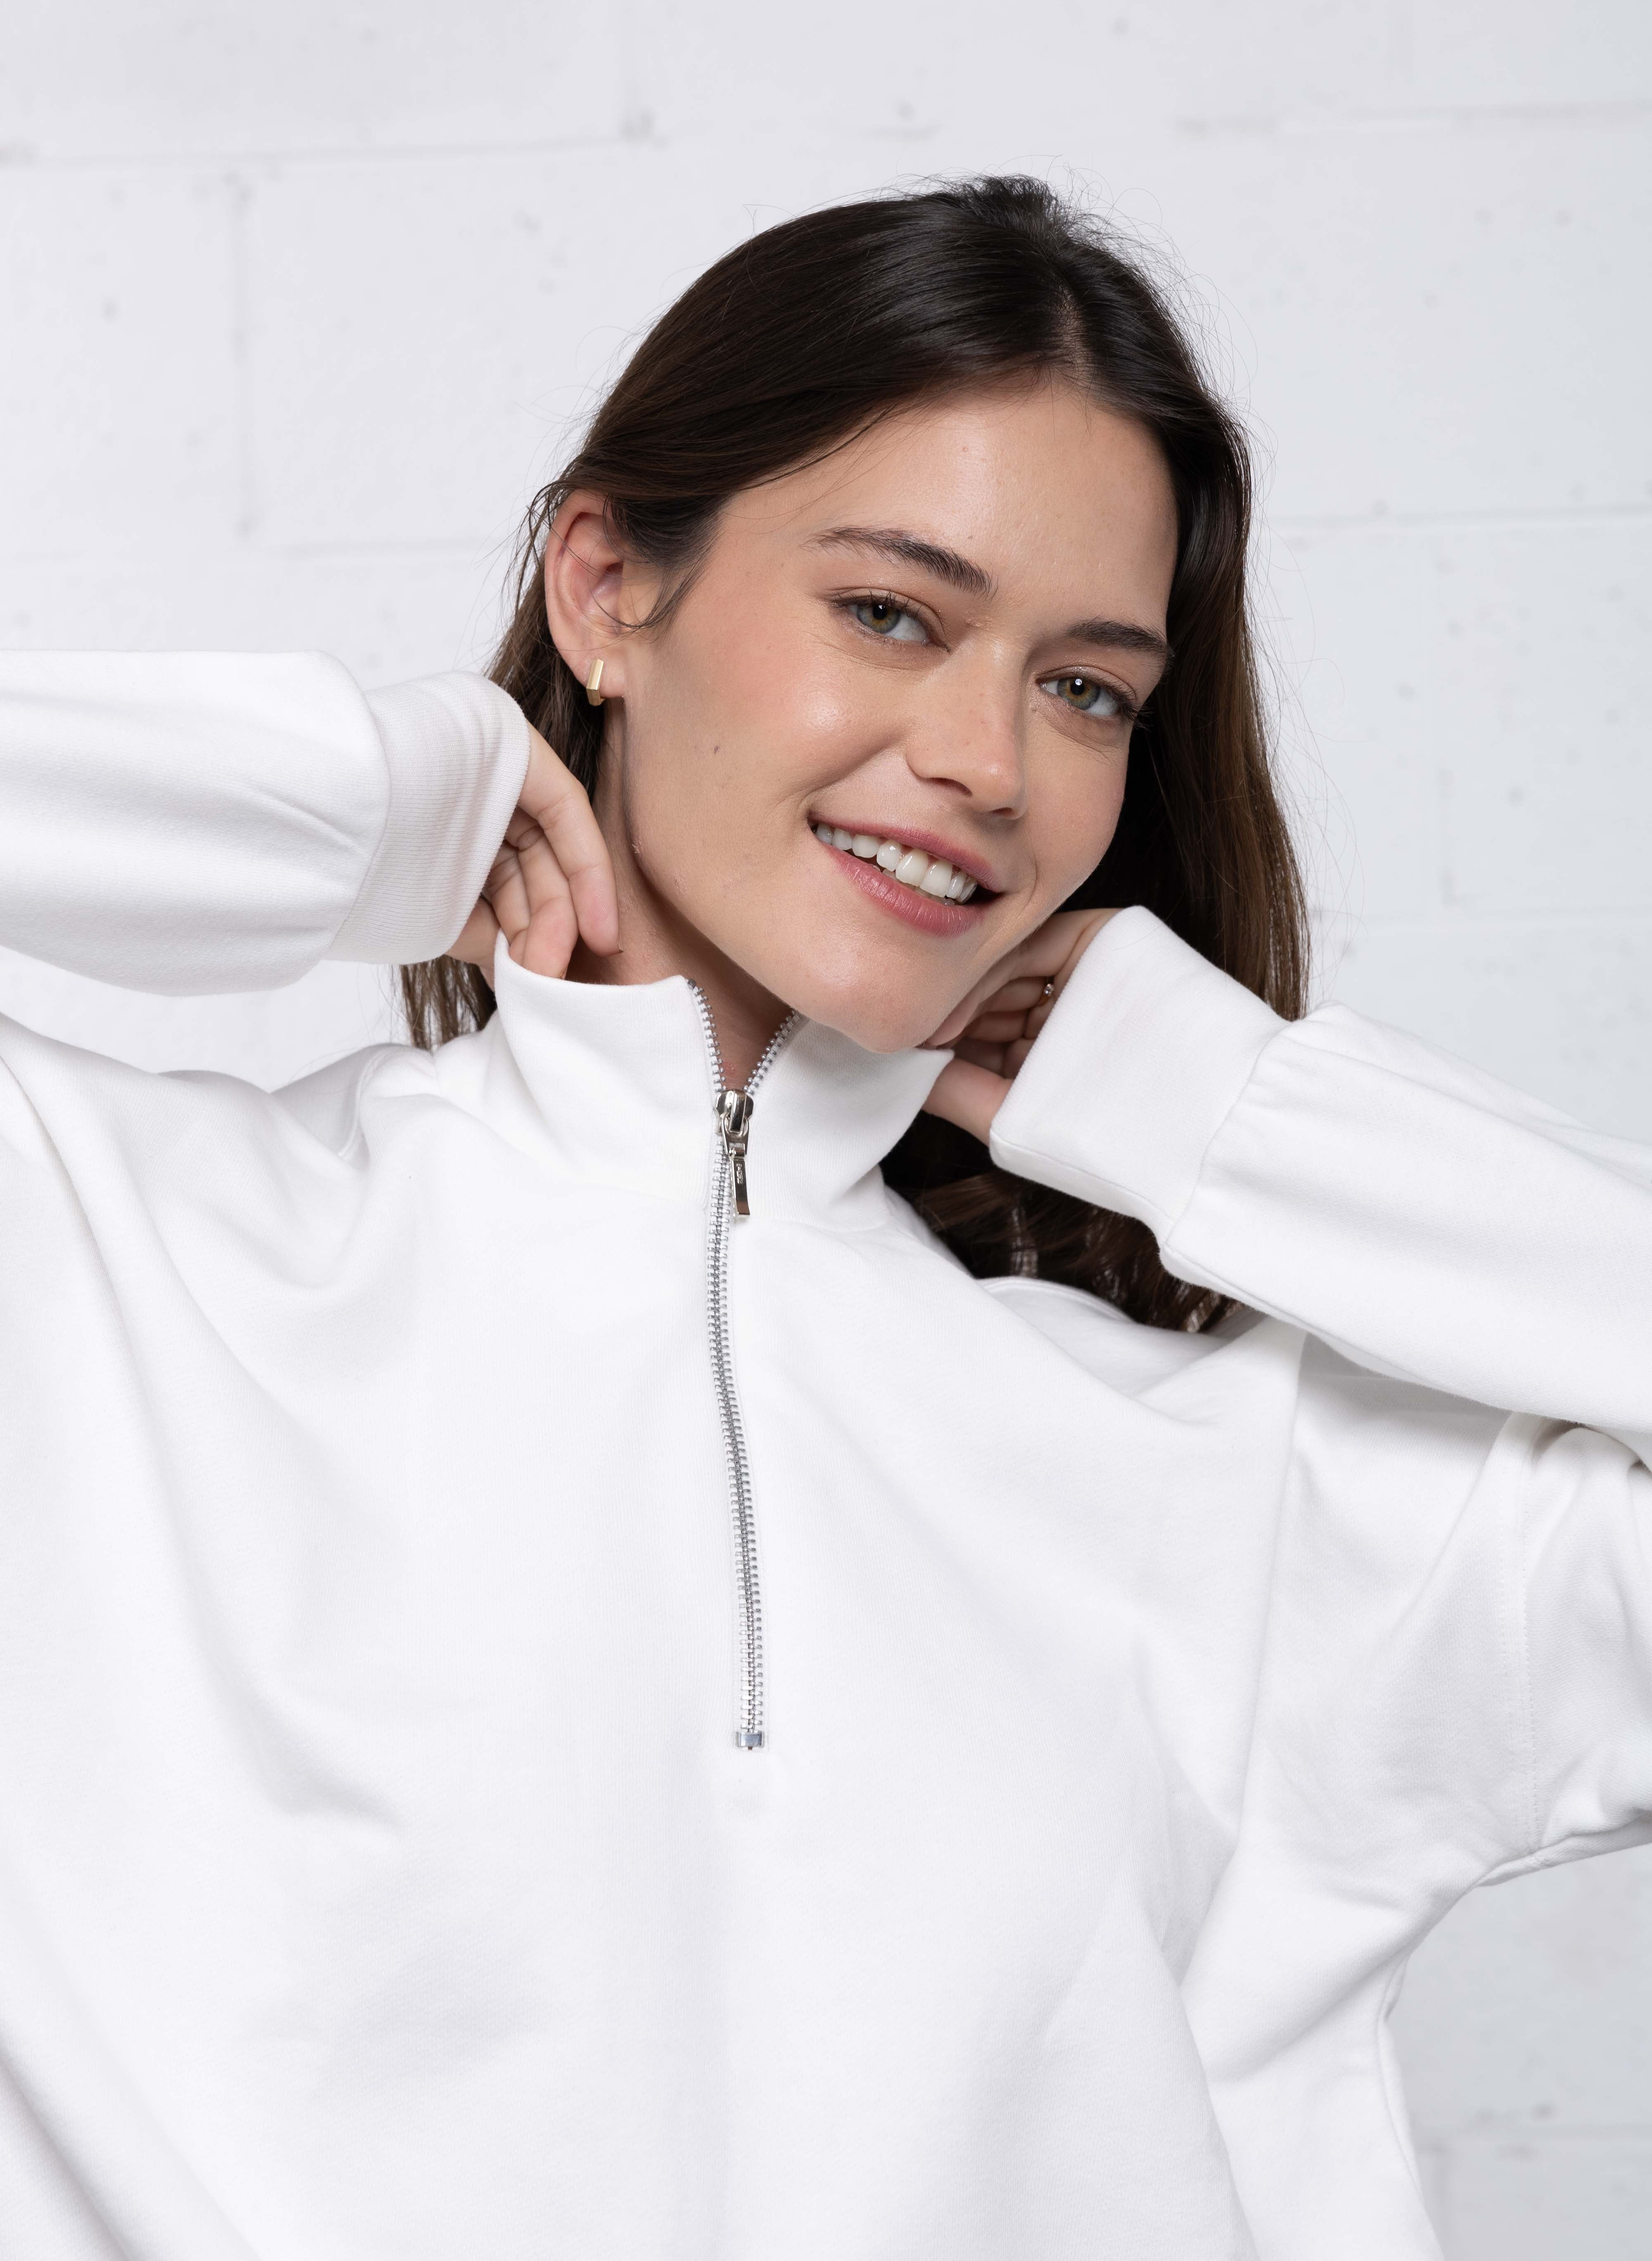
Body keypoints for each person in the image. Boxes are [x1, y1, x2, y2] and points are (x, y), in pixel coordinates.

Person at [0, 176, 1645, 2261]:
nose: (985, 759)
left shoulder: (1245, 1492)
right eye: (892, 611)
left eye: (1086, 688)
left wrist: (1225, 1116)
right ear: (607, 588)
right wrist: (336, 808)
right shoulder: (106, 1252)